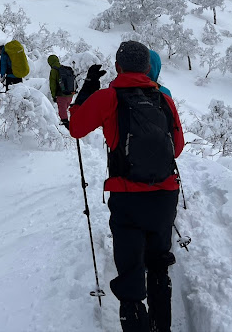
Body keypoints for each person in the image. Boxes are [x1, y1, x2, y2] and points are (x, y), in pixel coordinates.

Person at [70, 41, 184, 332]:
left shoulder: (109, 97)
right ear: (148, 67)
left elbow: (76, 128)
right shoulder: (164, 99)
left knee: (131, 271)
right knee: (158, 264)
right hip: (165, 195)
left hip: (128, 197)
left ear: (118, 67)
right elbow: (177, 148)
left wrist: (87, 89)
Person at [47, 54, 75, 128]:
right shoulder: (64, 69)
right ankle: (67, 123)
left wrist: (54, 95)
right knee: (65, 109)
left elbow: (53, 84)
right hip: (70, 94)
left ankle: (67, 126)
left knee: (62, 112)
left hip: (62, 95)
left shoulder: (54, 70)